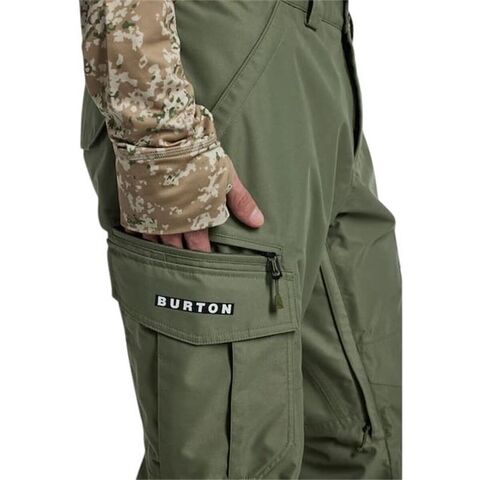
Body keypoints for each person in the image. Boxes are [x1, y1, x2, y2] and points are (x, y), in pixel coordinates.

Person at [79, 1, 402, 479]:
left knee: (356, 437)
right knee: (230, 459)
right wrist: (166, 139)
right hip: (216, 60)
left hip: (322, 54)